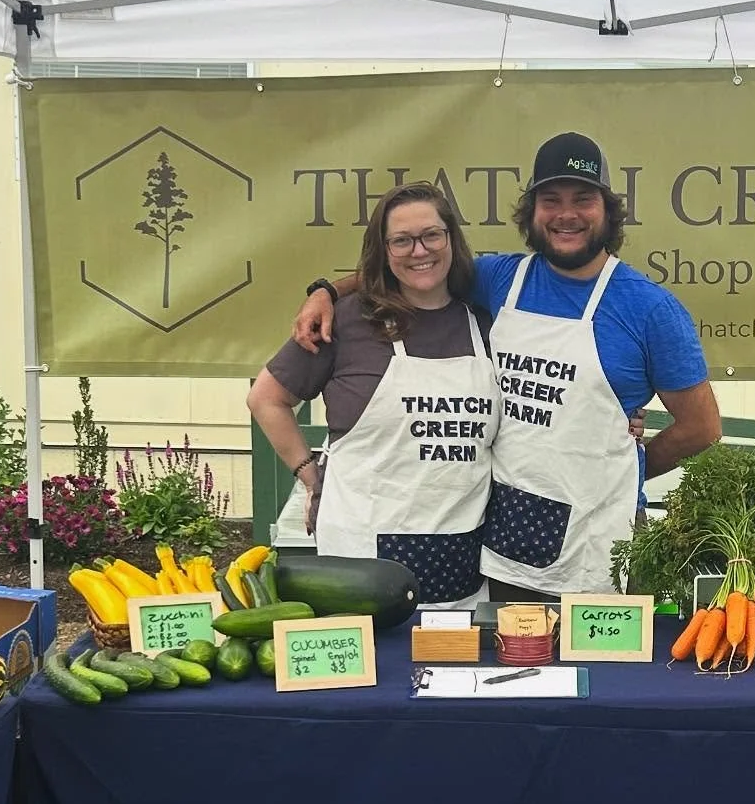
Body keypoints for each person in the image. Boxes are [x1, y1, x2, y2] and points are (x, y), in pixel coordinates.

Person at [290, 133, 721, 598]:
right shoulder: (498, 279)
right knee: (507, 661)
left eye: (583, 199)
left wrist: (630, 465)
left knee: (601, 669)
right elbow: (415, 266)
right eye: (550, 200)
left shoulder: (650, 309)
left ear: (608, 210)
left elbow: (702, 426)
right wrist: (328, 292)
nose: (566, 214)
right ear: (532, 213)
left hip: (598, 538)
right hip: (503, 535)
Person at [249, 181, 497, 607]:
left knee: (456, 666)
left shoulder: (484, 320)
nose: (420, 251)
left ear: (451, 238)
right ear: (383, 251)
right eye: (402, 240)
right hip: (360, 556)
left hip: (463, 555)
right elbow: (266, 398)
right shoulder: (347, 321)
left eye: (432, 235)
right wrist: (311, 475)